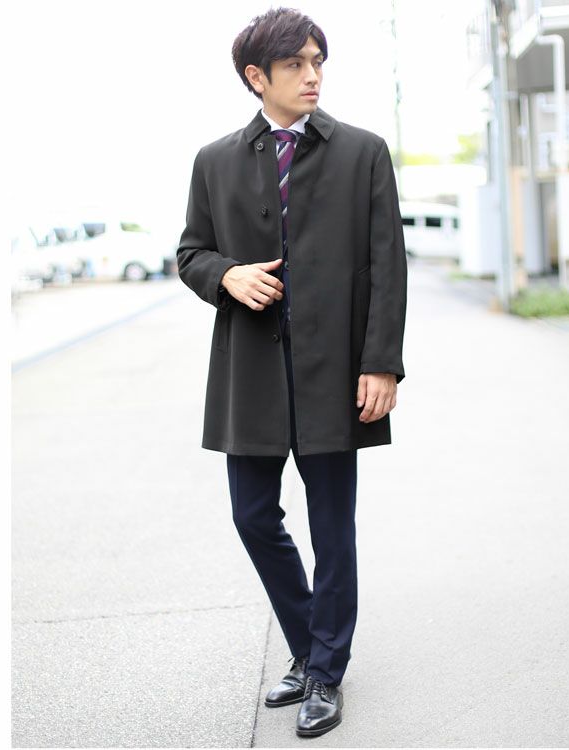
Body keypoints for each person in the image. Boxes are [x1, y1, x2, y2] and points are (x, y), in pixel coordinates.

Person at [175, 6, 407, 738]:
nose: (313, 76)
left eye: (318, 62)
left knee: (332, 527)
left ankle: (325, 671)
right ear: (257, 76)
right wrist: (227, 274)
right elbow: (190, 253)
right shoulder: (214, 160)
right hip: (250, 372)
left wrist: (381, 365)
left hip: (337, 370)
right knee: (252, 516)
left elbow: (388, 268)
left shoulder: (363, 153)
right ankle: (310, 648)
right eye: (295, 65)